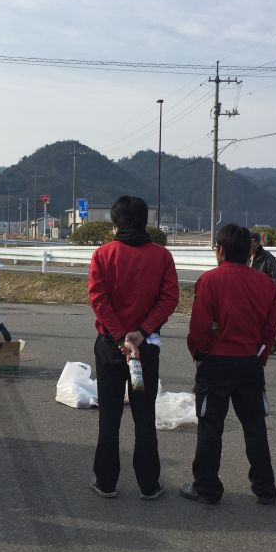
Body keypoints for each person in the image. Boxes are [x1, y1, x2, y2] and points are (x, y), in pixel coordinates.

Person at [87, 196, 179, 500]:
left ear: (115, 224)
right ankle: (149, 484)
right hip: (144, 349)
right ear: (144, 222)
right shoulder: (161, 256)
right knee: (143, 415)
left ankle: (106, 482)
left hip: (111, 348)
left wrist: (120, 337)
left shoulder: (103, 254)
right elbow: (169, 299)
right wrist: (141, 332)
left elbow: (98, 299)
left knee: (109, 416)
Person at [183, 224, 276, 506]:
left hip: (216, 362)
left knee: (211, 426)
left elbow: (199, 327)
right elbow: (270, 329)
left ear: (221, 250)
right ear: (248, 251)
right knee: (255, 425)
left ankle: (207, 487)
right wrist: (260, 356)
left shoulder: (210, 280)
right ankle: (265, 486)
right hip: (250, 362)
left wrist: (199, 354)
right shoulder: (266, 284)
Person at [249, 232, 276, 354]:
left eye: (250, 242)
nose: (248, 245)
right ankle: (269, 343)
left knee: (262, 322)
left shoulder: (267, 258)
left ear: (257, 243)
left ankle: (270, 343)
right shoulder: (245, 256)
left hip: (264, 296)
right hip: (250, 295)